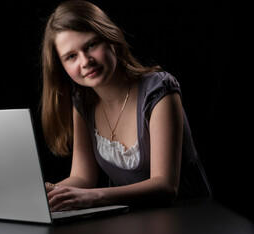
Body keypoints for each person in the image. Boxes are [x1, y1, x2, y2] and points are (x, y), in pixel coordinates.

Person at [41, 0, 212, 212]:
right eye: (71, 56)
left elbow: (166, 186)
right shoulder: (83, 103)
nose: (85, 61)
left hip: (191, 219)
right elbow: (82, 178)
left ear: (111, 39)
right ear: (62, 67)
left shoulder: (159, 91)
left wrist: (93, 197)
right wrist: (43, 194)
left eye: (91, 45)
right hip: (134, 221)